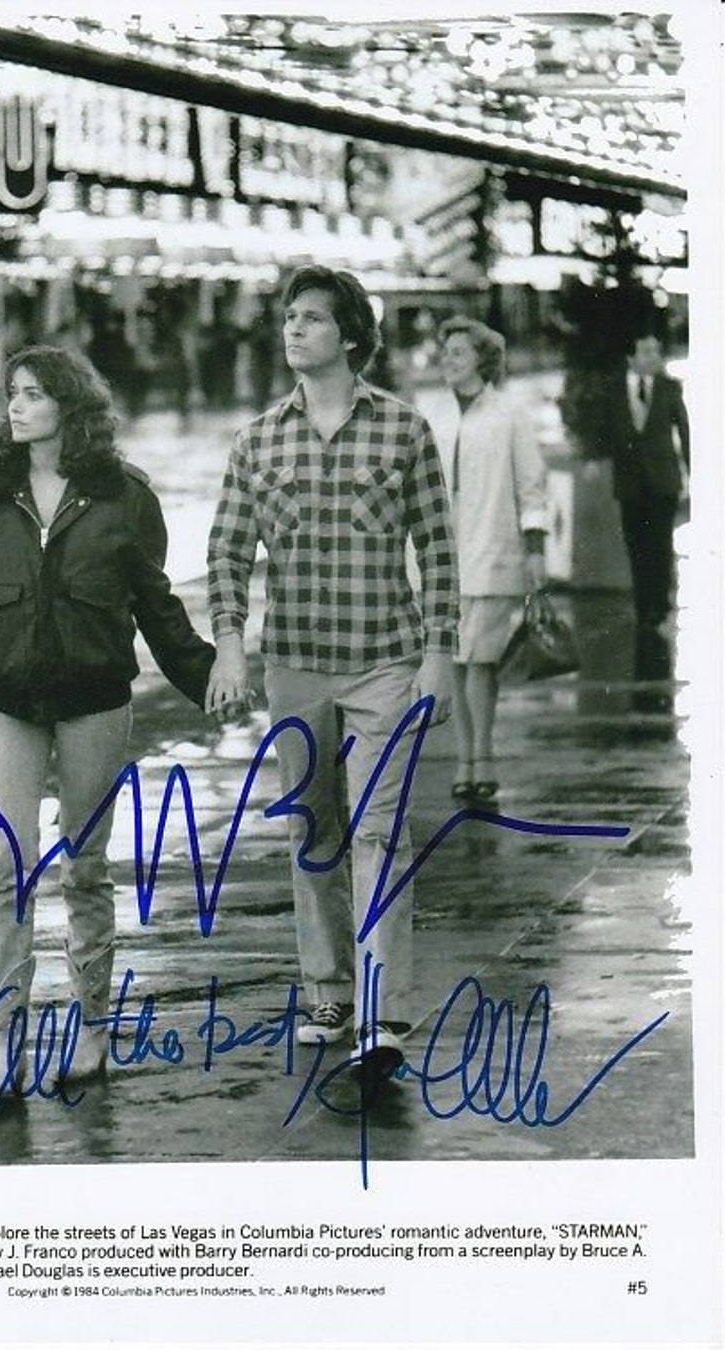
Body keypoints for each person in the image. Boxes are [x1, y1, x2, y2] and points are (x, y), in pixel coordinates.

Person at [0, 345, 215, 1107]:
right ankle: (4, 1040)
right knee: (7, 868)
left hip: (95, 700)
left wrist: (208, 678)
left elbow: (156, 605)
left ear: (70, 404)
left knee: (85, 868)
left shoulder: (123, 496)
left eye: (33, 393)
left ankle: (92, 1028)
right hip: (10, 703)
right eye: (13, 393)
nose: (17, 406)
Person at [205, 266, 458, 1075]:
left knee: (379, 830)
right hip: (296, 665)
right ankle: (329, 991)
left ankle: (381, 1013)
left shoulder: (404, 431)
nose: (294, 329)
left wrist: (441, 654)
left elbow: (438, 549)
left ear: (350, 336)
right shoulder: (258, 440)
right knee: (312, 831)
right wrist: (230, 642)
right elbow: (227, 550)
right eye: (289, 317)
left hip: (385, 660)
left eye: (312, 318)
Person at [436, 316, 548, 802]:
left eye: (458, 352)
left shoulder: (509, 414)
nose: (448, 360)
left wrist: (536, 550)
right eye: (445, 352)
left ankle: (481, 757)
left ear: (482, 359)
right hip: (444, 560)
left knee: (480, 659)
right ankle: (466, 758)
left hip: (496, 550)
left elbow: (532, 486)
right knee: (456, 663)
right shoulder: (435, 415)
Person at [608, 332, 689, 676]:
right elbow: (606, 431)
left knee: (660, 543)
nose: (653, 356)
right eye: (645, 351)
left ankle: (660, 606)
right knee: (636, 545)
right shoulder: (615, 389)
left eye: (656, 350)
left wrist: (692, 472)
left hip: (663, 481)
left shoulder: (670, 388)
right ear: (631, 357)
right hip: (630, 485)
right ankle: (644, 608)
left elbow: (684, 430)